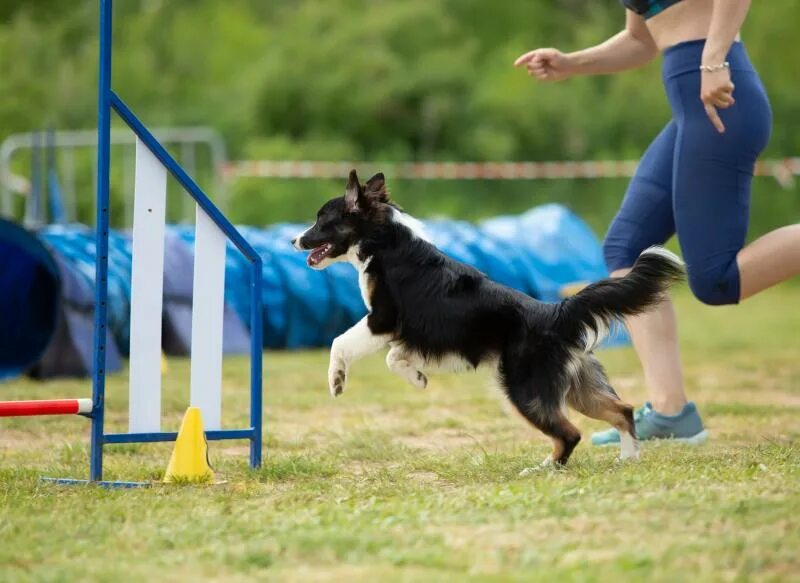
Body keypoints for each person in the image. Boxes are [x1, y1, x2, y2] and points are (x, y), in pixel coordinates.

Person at [514, 0, 800, 446]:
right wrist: (572, 63)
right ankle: (671, 413)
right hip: (691, 107)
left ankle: (671, 413)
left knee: (716, 280)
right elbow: (640, 40)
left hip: (719, 98)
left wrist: (714, 57)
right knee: (627, 250)